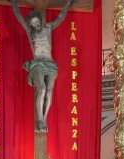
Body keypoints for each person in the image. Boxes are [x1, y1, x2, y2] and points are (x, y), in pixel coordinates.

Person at [10, 0, 77, 132]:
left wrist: (68, 4)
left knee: (49, 90)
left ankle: (44, 119)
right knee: (41, 89)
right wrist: (13, 2)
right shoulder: (30, 32)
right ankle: (40, 119)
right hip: (37, 63)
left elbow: (60, 17)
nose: (35, 25)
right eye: (32, 23)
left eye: (36, 21)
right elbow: (18, 14)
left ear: (40, 20)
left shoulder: (48, 27)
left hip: (50, 64)